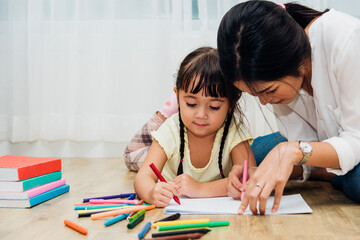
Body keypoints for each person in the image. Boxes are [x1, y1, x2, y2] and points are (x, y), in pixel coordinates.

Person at [217, 0, 360, 215]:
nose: (264, 102)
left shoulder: (345, 40)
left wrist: (291, 151)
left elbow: (355, 139)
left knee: (356, 181)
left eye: (269, 91)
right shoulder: (284, 76)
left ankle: (339, 174)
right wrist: (267, 169)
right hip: (332, 141)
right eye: (254, 95)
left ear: (290, 59)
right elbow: (307, 145)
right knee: (255, 156)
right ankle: (336, 173)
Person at [133, 46, 256, 207]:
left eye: (214, 107)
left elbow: (250, 177)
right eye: (191, 104)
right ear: (177, 97)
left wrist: (200, 189)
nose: (201, 115)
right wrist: (151, 192)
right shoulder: (171, 129)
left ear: (230, 105)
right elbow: (142, 178)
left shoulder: (233, 128)